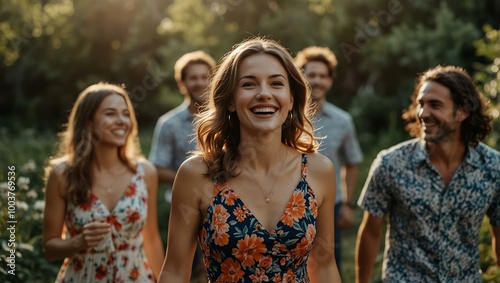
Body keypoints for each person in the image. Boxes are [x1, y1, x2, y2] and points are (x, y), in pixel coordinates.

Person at [159, 37, 342, 282]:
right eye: (249, 84)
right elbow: (175, 271)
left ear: (291, 99)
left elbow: (325, 268)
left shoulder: (319, 170)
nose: (264, 94)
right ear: (231, 101)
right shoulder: (197, 174)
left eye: (276, 83)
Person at [355, 65, 500, 282]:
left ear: (462, 111)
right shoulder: (391, 164)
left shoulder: (493, 167)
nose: (422, 113)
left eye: (435, 105)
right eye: (421, 104)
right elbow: (370, 232)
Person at [43, 83, 164, 282]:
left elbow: (151, 238)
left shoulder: (144, 172)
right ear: (88, 122)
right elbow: (49, 248)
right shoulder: (62, 175)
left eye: (125, 114)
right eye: (110, 113)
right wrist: (78, 242)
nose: (121, 121)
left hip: (136, 276)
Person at [295, 46, 363, 273]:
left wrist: (347, 204)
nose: (317, 81)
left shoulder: (343, 120)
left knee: (328, 265)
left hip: (330, 207)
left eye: (323, 76)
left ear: (330, 81)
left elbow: (352, 163)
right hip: (290, 204)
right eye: (311, 74)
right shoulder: (284, 117)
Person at [149, 50, 216, 283]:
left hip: (224, 207)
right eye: (193, 77)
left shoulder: (228, 120)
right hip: (184, 210)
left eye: (204, 76)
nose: (199, 82)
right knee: (184, 269)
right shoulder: (168, 123)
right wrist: (193, 178)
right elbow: (157, 167)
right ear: (182, 83)